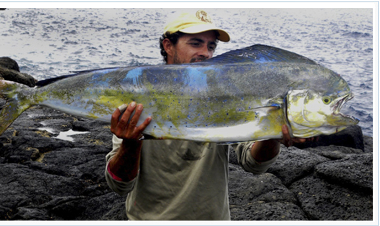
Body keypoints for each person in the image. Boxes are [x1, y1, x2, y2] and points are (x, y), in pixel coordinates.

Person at [105, 10, 312, 220]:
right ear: (168, 46)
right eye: (196, 43)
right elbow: (119, 184)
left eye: (211, 46)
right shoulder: (138, 98)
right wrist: (130, 144)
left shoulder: (229, 94)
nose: (206, 53)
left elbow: (253, 163)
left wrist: (272, 134)